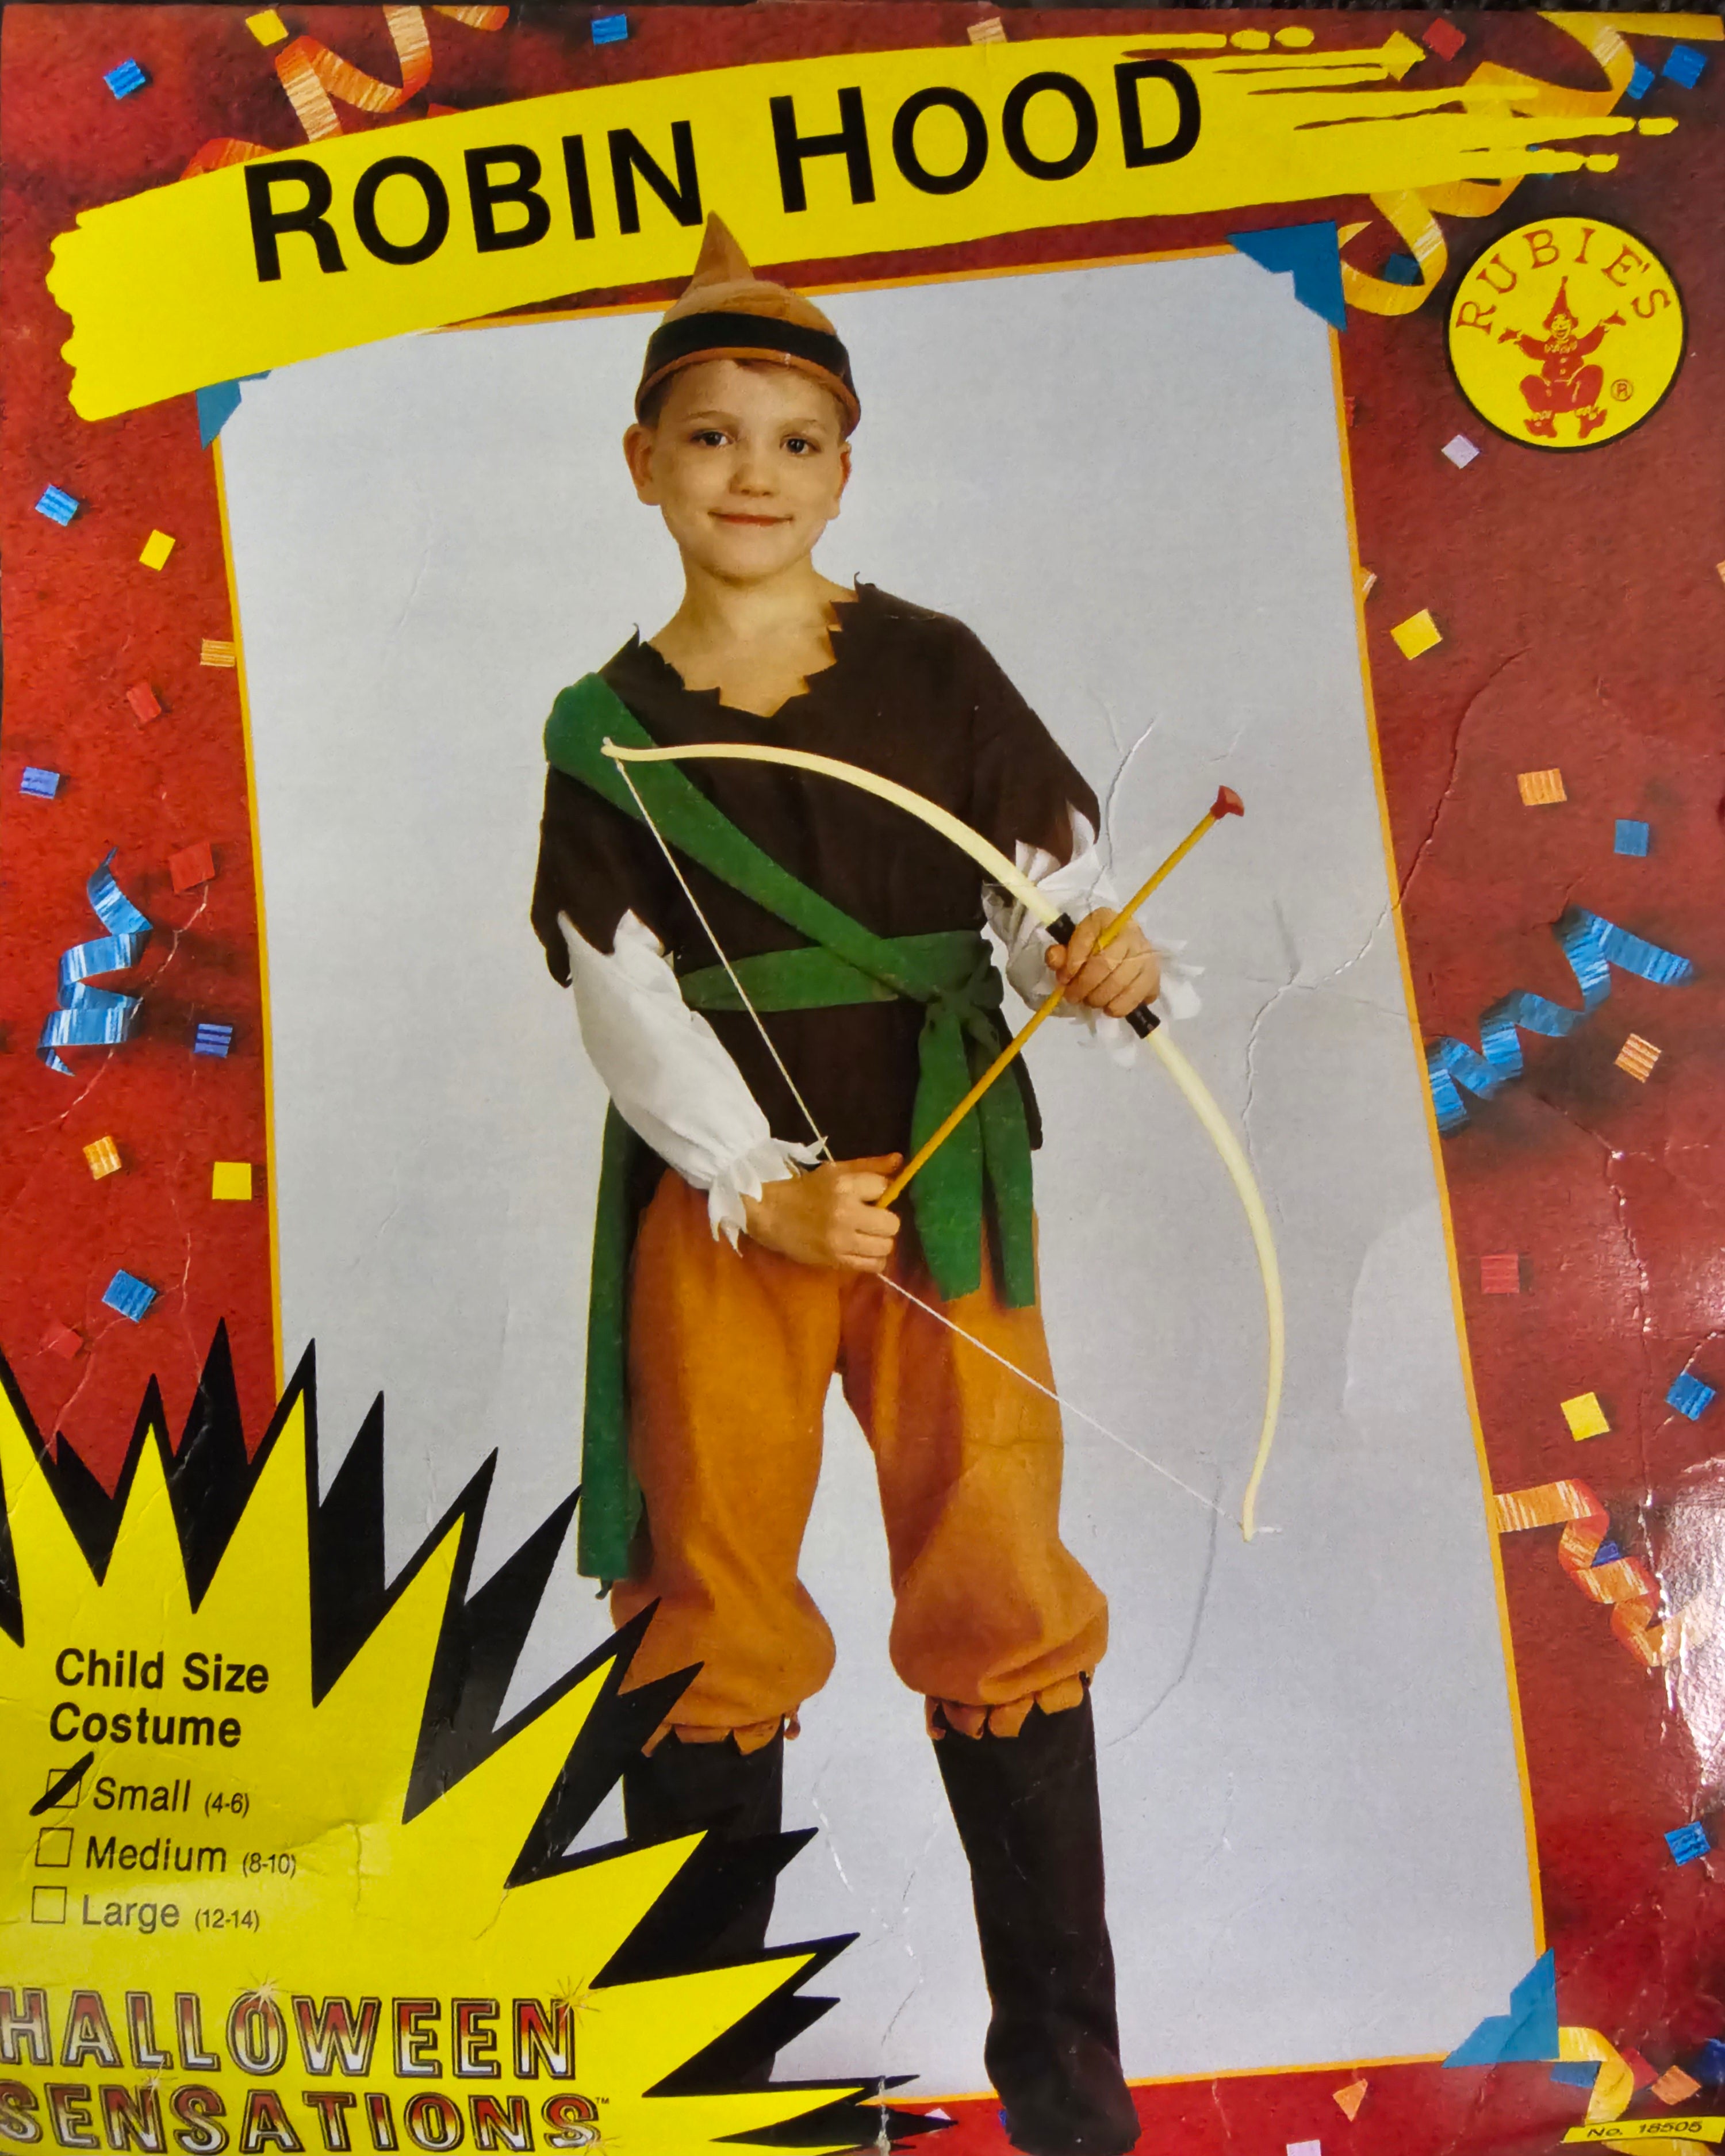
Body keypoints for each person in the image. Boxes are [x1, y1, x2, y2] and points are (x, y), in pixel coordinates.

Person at [531, 215, 1163, 2156]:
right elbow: (618, 989)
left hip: (948, 1192)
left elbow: (1040, 876)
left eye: (796, 441)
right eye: (712, 437)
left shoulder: (929, 664)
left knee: (999, 1575)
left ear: (844, 468)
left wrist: (1093, 955)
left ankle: (1068, 2095)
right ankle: (712, 2099)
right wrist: (754, 1184)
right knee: (708, 1604)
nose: (755, 476)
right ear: (643, 460)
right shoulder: (602, 725)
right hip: (731, 1216)